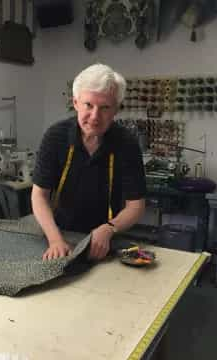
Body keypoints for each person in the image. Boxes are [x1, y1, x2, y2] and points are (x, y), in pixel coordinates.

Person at [32, 63, 146, 261]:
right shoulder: (55, 136)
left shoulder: (126, 143)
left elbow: (136, 205)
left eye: (104, 108)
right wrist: (55, 239)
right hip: (58, 233)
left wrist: (109, 229)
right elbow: (39, 195)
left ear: (116, 110)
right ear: (75, 102)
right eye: (88, 105)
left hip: (106, 238)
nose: (95, 116)